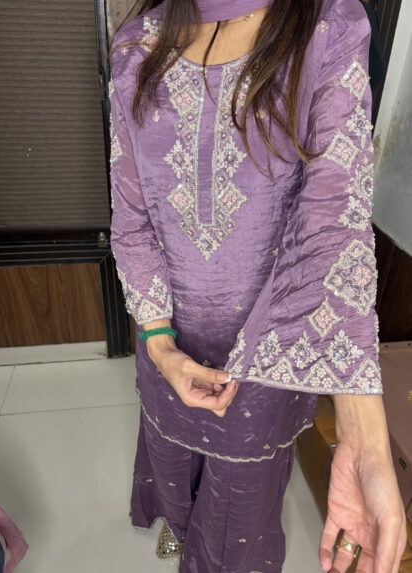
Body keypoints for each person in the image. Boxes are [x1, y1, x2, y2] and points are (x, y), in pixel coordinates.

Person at [108, 0, 407, 571]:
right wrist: (160, 342)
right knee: (171, 462)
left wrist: (364, 440)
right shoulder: (136, 45)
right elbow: (131, 217)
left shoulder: (328, 27)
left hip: (265, 365)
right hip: (166, 341)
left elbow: (330, 227)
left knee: (238, 513)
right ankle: (178, 526)